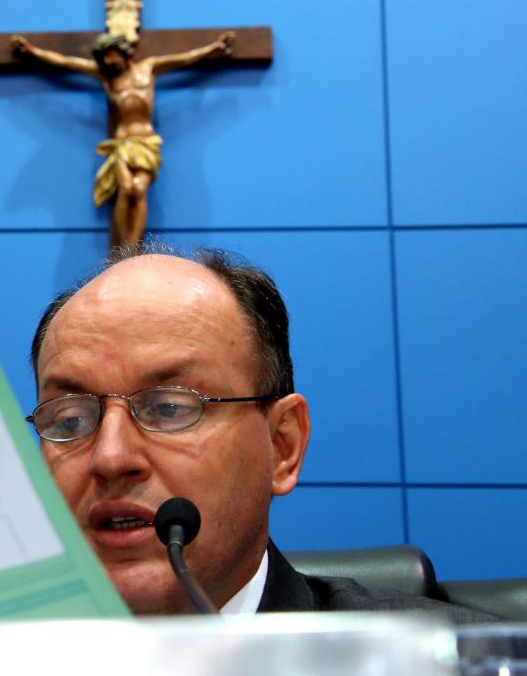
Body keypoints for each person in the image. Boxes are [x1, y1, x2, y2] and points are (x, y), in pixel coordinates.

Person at [27, 243, 494, 621]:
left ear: (282, 446)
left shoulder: (450, 661)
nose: (110, 457)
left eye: (169, 408)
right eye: (70, 420)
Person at [11, 32, 234, 249]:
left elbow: (184, 59)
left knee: (139, 189)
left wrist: (213, 49)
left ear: (122, 51)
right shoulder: (106, 77)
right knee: (126, 188)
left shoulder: (149, 68)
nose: (108, 61)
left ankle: (134, 247)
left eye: (110, 54)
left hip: (146, 142)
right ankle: (125, 248)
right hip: (122, 145)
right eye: (103, 57)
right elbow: (67, 62)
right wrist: (33, 51)